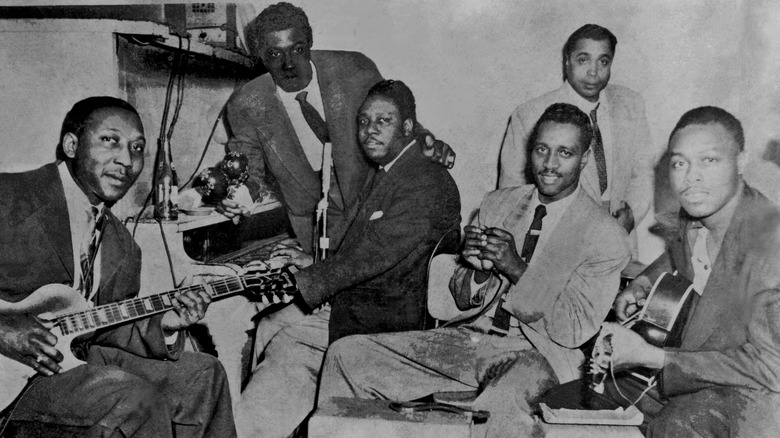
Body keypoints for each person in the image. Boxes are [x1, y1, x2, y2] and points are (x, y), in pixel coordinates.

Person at [318, 103, 630, 437]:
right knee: (347, 355)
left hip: (537, 355)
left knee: (499, 405)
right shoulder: (499, 203)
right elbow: (460, 296)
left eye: (565, 153)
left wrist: (516, 269)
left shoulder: (605, 235)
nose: (550, 164)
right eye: (542, 149)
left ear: (584, 159)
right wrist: (477, 271)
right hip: (468, 342)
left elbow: (575, 327)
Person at [205, 2, 456, 398]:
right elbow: (247, 170)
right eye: (273, 54)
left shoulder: (353, 69)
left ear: (311, 43)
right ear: (259, 57)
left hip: (371, 240)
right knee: (275, 335)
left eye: (297, 49)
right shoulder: (246, 103)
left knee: (294, 337)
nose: (288, 64)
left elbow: (393, 116)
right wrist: (240, 195)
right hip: (319, 240)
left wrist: (427, 143)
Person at [233, 80, 461, 438]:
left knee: (282, 339)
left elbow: (375, 255)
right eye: (364, 121)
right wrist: (313, 262)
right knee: (271, 326)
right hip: (368, 304)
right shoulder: (393, 171)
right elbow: (370, 246)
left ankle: (257, 428)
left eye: (383, 121)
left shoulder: (423, 181)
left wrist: (307, 281)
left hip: (386, 325)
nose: (369, 130)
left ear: (407, 128)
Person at [0, 97, 236, 437]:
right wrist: (4, 332)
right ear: (71, 145)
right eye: (110, 140)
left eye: (137, 148)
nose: (126, 159)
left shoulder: (123, 246)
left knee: (203, 375)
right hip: (12, 387)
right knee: (136, 402)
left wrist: (166, 324)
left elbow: (103, 325)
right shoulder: (10, 197)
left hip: (70, 362)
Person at [582, 106, 780, 436]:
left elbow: (771, 367)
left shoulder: (769, 247)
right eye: (679, 163)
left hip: (751, 392)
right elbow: (680, 253)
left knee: (672, 427)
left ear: (741, 162)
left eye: (709, 160)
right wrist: (643, 283)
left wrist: (652, 356)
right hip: (694, 366)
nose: (691, 177)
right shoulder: (699, 214)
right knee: (588, 402)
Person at [498, 24, 654, 244]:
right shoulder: (530, 115)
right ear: (567, 61)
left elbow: (644, 168)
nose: (593, 71)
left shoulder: (630, 104)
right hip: (556, 241)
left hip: (619, 239)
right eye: (583, 59)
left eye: (603, 61)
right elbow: (511, 190)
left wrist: (631, 215)